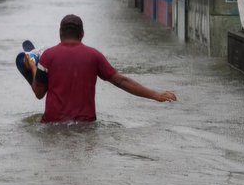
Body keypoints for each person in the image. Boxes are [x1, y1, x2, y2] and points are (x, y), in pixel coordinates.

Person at [31, 14, 177, 123]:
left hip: (52, 127)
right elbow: (121, 81)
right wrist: (156, 95)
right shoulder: (94, 56)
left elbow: (39, 93)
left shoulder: (47, 57)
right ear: (82, 34)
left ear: (60, 33)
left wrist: (33, 67)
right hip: (86, 126)